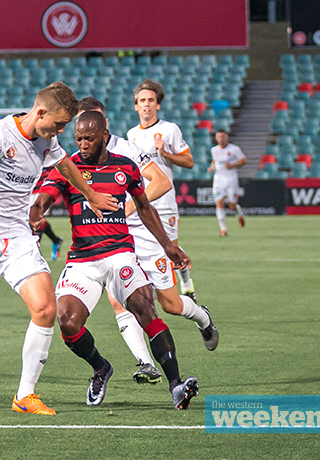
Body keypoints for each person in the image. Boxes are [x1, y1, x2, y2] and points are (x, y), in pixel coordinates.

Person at [0, 82, 118, 416]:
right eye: (59, 124)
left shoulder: (47, 139)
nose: (62, 131)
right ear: (40, 113)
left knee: (45, 309)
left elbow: (65, 164)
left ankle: (25, 395)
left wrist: (91, 195)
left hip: (17, 236)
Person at [31, 110, 200, 410]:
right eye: (78, 138)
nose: (82, 144)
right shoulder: (66, 168)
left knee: (144, 307)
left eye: (89, 138)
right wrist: (36, 212)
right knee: (67, 321)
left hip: (120, 252)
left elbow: (146, 208)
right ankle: (100, 368)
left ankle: (176, 386)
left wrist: (168, 246)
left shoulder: (126, 167)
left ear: (104, 137)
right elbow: (44, 198)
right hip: (83, 259)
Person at [78, 97, 217, 387]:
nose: (89, 132)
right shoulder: (78, 158)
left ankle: (203, 318)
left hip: (143, 235)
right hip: (112, 243)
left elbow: (162, 182)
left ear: (105, 125)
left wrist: (128, 207)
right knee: (119, 302)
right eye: (83, 126)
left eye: (96, 124)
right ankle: (146, 362)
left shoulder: (126, 149)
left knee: (170, 304)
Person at [127, 79, 196, 301]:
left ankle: (186, 283)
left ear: (158, 105)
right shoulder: (131, 135)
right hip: (141, 202)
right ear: (136, 106)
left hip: (164, 202)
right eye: (142, 101)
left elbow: (189, 161)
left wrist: (166, 153)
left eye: (151, 100)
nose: (146, 104)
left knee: (170, 246)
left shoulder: (169, 129)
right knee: (142, 249)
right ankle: (154, 294)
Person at [208, 129, 246, 237]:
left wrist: (232, 165)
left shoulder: (234, 149)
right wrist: (212, 167)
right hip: (218, 179)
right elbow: (215, 161)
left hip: (231, 179)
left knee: (232, 205)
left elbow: (243, 160)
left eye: (223, 137)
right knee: (219, 203)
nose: (221, 139)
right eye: (219, 137)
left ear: (227, 137)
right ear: (216, 138)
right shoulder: (214, 150)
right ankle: (223, 230)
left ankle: (239, 213)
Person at [31, 166, 64, 260]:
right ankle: (56, 240)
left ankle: (35, 252)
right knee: (34, 221)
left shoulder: (48, 156)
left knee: (37, 219)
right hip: (27, 191)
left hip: (42, 193)